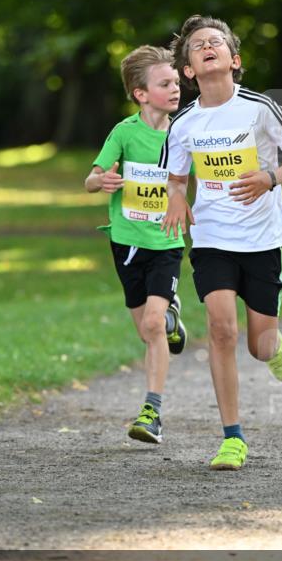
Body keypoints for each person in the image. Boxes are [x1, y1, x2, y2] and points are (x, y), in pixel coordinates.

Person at [160, 14, 282, 471]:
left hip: (263, 238)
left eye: (216, 42)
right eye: (197, 46)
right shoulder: (184, 123)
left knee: (258, 345)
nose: (207, 47)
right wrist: (175, 200)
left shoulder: (259, 108)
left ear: (234, 59)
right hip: (211, 238)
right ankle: (232, 437)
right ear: (189, 70)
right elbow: (175, 177)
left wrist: (271, 177)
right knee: (222, 329)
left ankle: (275, 347)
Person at [85, 45, 187, 445]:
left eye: (177, 81)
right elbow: (91, 178)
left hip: (166, 241)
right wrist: (102, 182)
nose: (175, 89)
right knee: (148, 333)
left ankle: (152, 412)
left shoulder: (185, 132)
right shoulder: (124, 133)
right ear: (141, 94)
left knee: (149, 324)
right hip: (126, 242)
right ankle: (169, 321)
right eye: (165, 84)